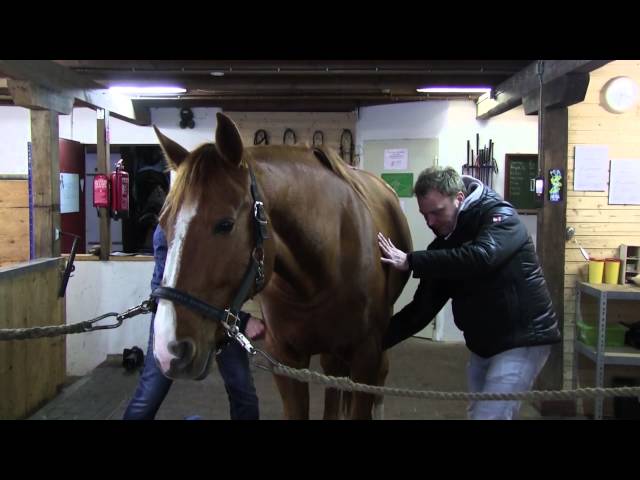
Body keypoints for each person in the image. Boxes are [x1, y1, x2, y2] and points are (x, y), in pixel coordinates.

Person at [378, 166, 561, 420]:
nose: (430, 222)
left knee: (489, 416)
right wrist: (372, 342)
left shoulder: (499, 216)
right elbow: (421, 310)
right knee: (479, 414)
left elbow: (483, 256)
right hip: (484, 344)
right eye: (424, 215)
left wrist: (412, 261)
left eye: (436, 212)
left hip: (522, 339)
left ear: (459, 198)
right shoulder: (444, 245)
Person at [123, 224, 265, 420]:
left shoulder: (219, 222)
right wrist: (243, 321)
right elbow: (174, 291)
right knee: (150, 393)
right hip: (178, 315)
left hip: (222, 316)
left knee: (243, 392)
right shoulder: (171, 226)